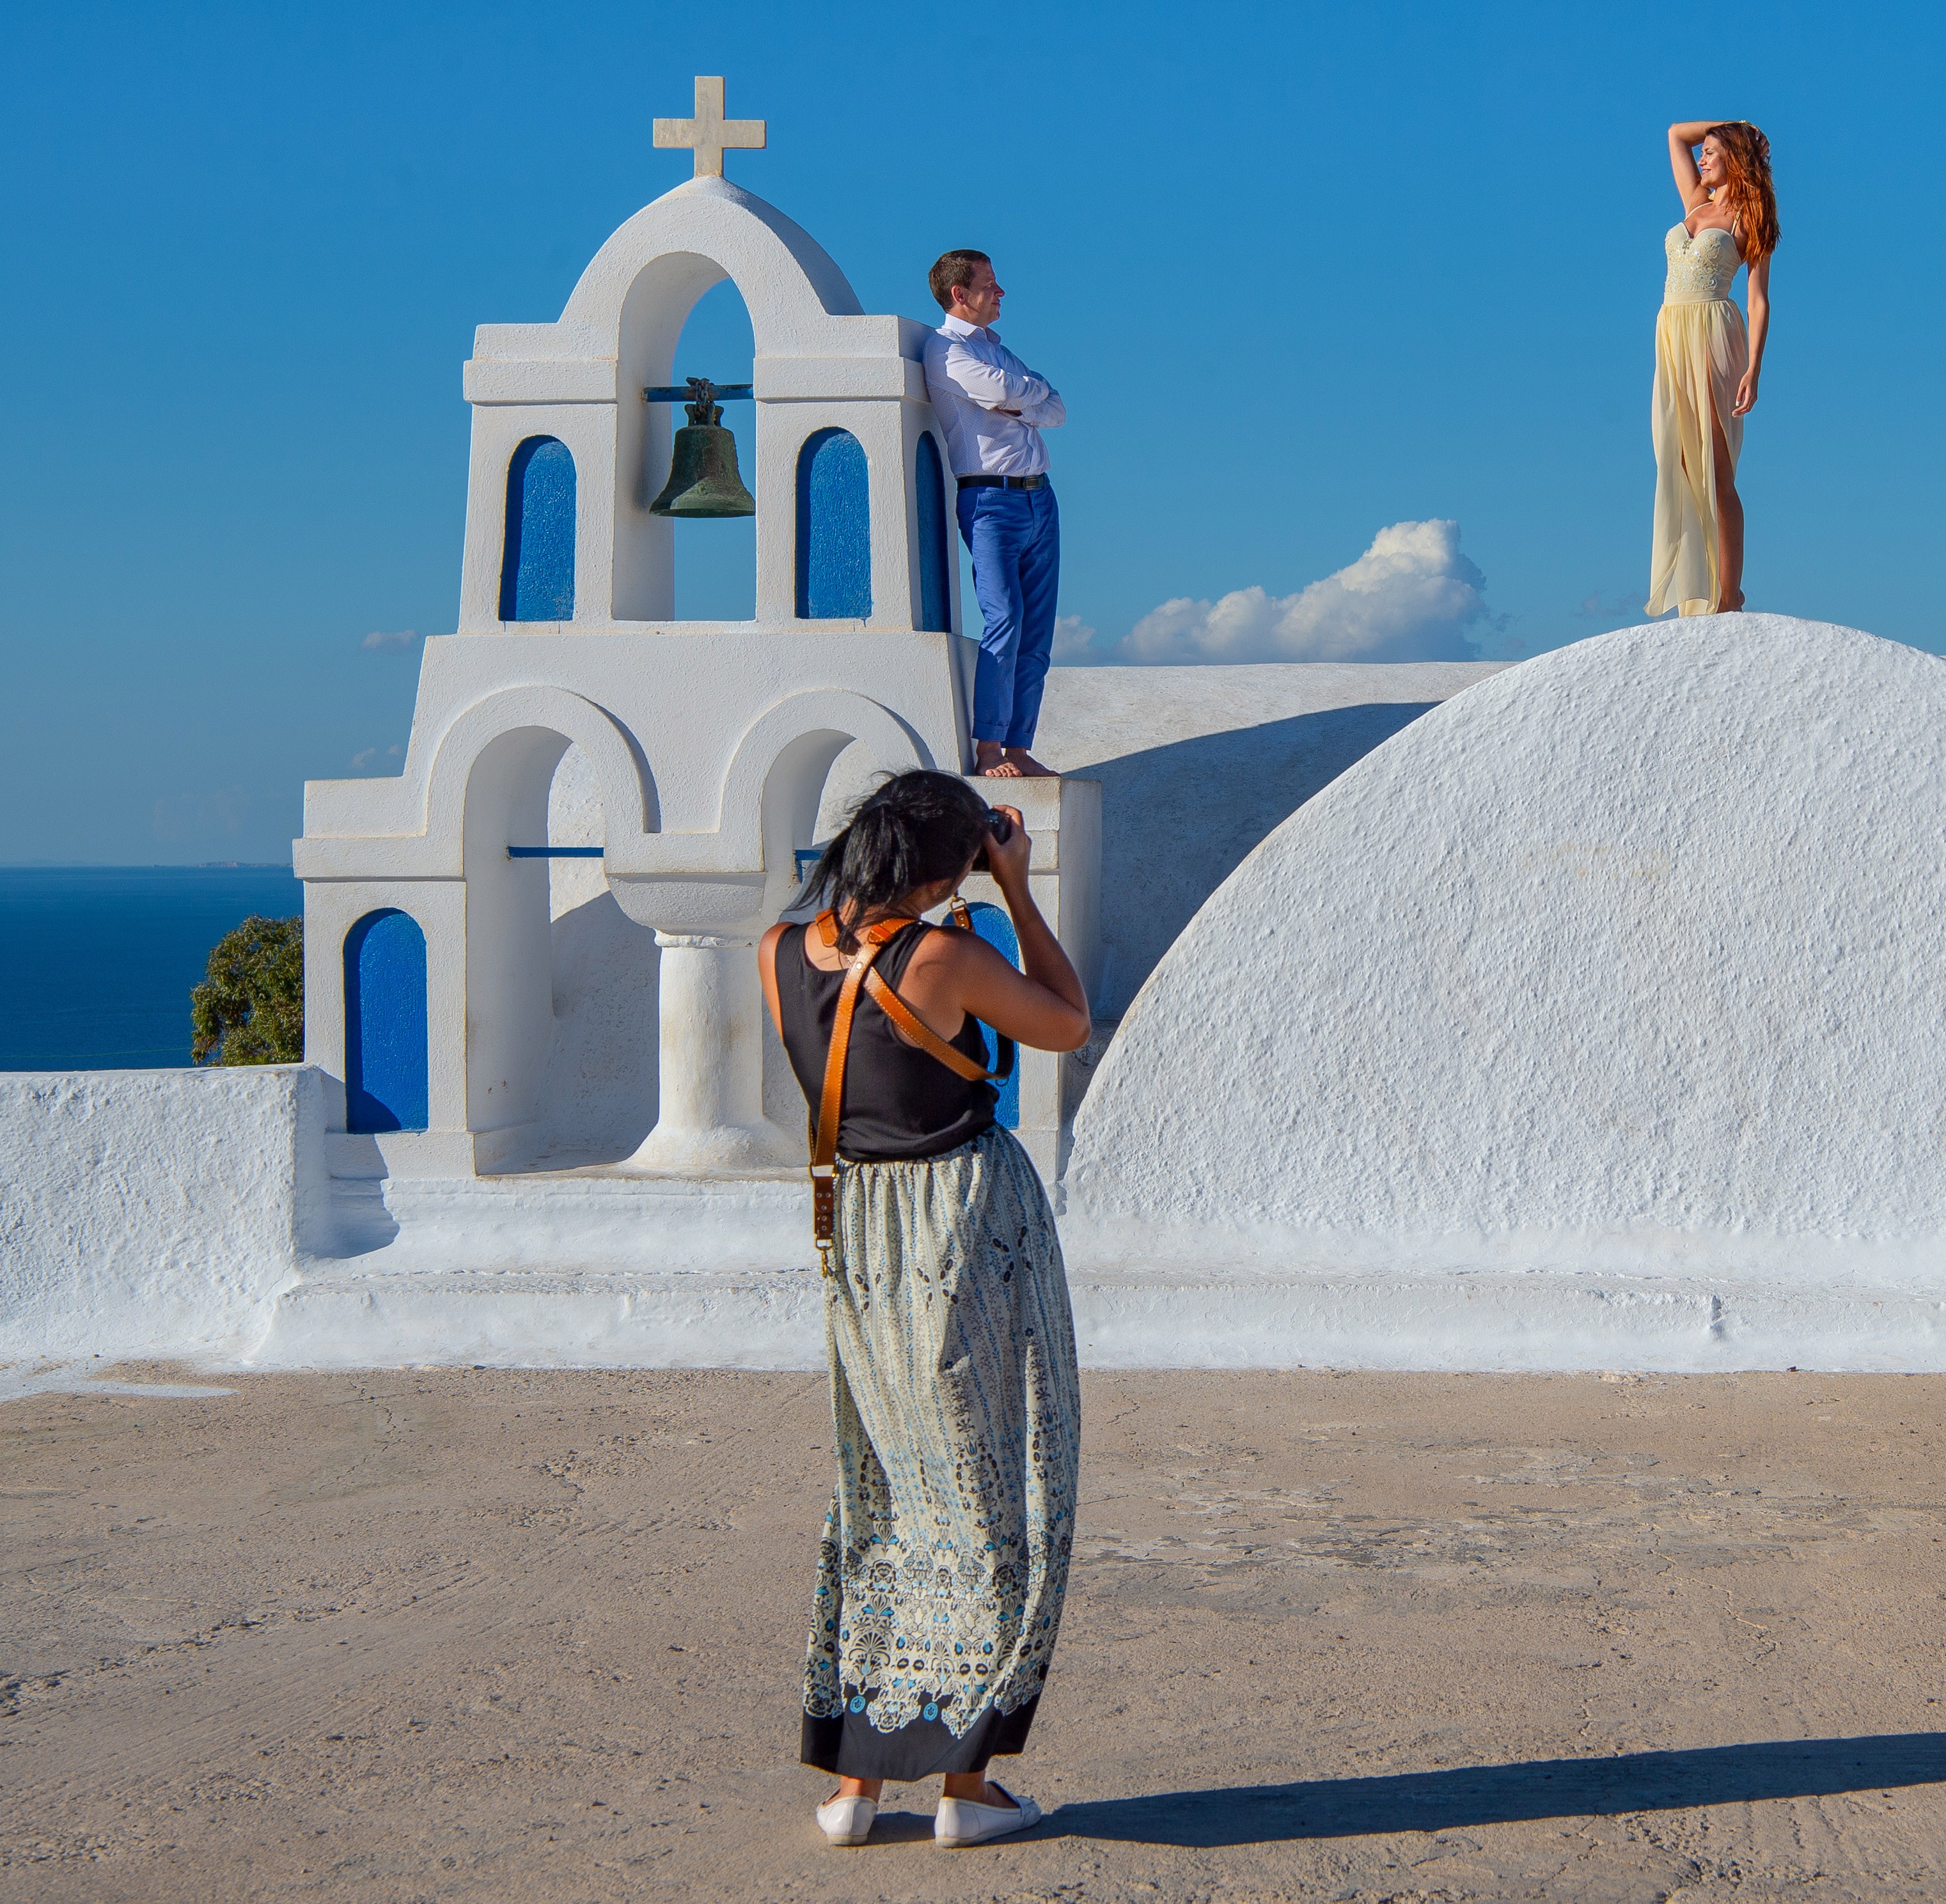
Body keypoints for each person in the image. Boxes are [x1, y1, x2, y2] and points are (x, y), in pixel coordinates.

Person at [757, 770, 1094, 1848]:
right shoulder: (946, 954)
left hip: (852, 1224)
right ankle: (965, 1782)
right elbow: (1065, 1021)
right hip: (962, 1224)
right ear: (954, 857)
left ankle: (855, 1785)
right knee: (1004, 1480)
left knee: (880, 1484)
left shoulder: (776, 948)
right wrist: (1020, 891)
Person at [923, 249, 1067, 779]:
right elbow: (1012, 393)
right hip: (990, 503)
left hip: (1039, 498)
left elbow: (1055, 409)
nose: (1001, 293)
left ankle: (1019, 747)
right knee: (1004, 618)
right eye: (990, 285)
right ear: (960, 294)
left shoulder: (998, 353)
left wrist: (1021, 400)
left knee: (1038, 631)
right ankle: (989, 750)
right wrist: (1025, 398)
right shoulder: (946, 354)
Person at [1649, 121, 1780, 618]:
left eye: (1712, 153)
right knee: (1680, 462)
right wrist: (1734, 126)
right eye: (1702, 154)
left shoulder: (1751, 215)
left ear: (1736, 159)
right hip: (1671, 335)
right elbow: (1674, 134)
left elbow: (1760, 298)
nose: (1701, 159)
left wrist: (1755, 367)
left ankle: (1730, 595)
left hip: (1713, 332)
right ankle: (1700, 586)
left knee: (1717, 465)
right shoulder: (1695, 202)